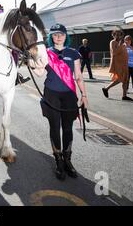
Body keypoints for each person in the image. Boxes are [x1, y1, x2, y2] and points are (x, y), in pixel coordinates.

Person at [40, 23, 89, 180]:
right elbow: (40, 72)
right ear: (51, 37)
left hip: (69, 95)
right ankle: (58, 161)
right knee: (55, 128)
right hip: (51, 94)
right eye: (55, 34)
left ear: (66, 36)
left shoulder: (73, 53)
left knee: (67, 128)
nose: (58, 36)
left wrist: (84, 95)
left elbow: (79, 76)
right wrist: (33, 63)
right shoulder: (46, 52)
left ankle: (68, 160)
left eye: (61, 34)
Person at [102, 30, 133, 101]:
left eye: (119, 34)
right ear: (113, 35)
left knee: (125, 80)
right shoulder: (113, 42)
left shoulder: (123, 43)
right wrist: (120, 45)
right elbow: (114, 52)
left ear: (122, 35)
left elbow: (125, 52)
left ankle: (124, 96)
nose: (118, 36)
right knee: (120, 79)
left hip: (124, 64)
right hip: (117, 64)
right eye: (116, 34)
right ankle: (106, 88)